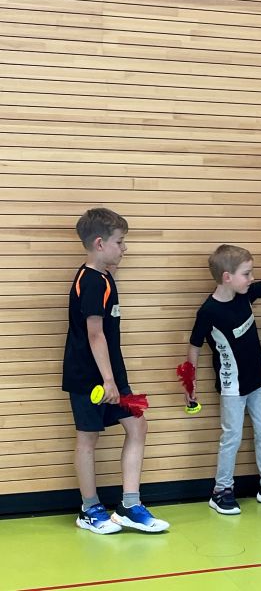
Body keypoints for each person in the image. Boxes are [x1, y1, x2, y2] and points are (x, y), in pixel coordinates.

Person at [63, 207, 169, 534]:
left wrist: (114, 377)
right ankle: (90, 509)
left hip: (113, 373)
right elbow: (95, 334)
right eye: (120, 242)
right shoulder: (92, 282)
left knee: (137, 426)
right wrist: (108, 380)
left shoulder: (104, 276)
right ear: (100, 243)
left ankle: (129, 506)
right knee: (88, 438)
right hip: (89, 376)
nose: (125, 248)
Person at [187, 237, 261, 515]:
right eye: (246, 274)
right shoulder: (208, 312)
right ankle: (221, 491)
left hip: (258, 379)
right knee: (232, 437)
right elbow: (194, 346)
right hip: (232, 386)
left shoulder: (244, 295)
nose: (251, 279)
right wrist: (190, 383)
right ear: (227, 277)